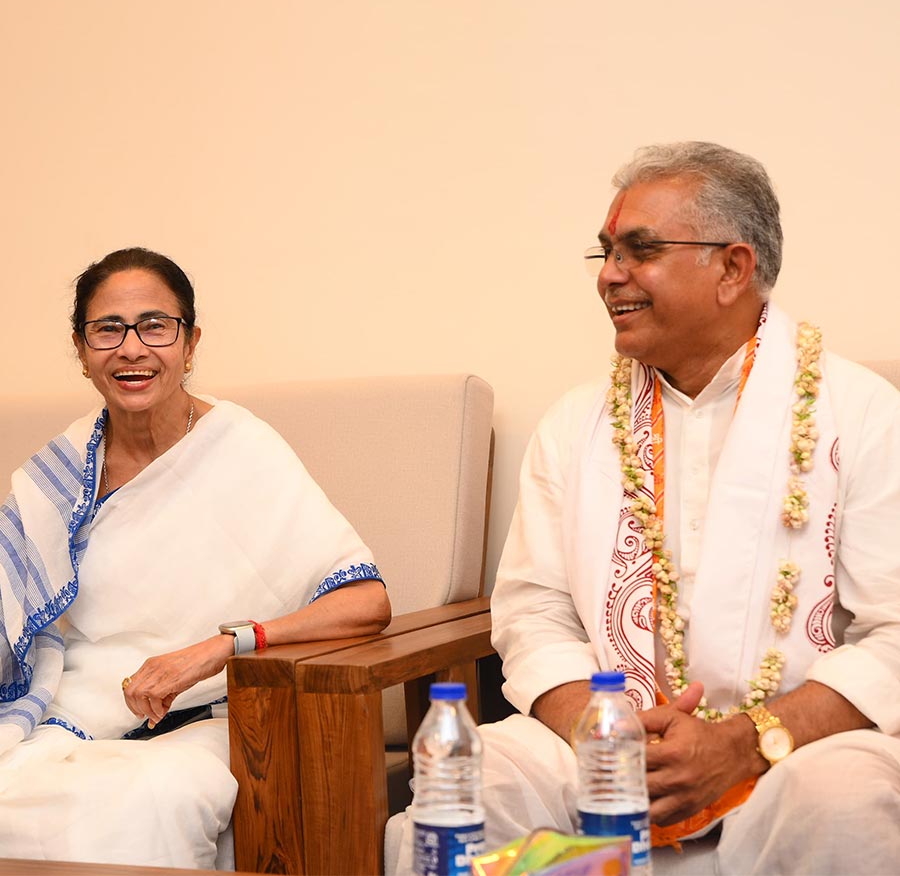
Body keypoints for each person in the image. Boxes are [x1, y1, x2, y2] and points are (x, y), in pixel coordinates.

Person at [388, 142, 900, 876]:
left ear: (732, 267)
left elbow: (894, 634)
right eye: (605, 253)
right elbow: (533, 613)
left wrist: (745, 743)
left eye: (640, 250)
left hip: (798, 753)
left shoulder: (864, 415)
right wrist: (599, 731)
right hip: (599, 753)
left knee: (846, 801)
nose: (610, 277)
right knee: (463, 788)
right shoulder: (575, 425)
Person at [0, 247, 392, 868]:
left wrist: (216, 648)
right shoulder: (63, 467)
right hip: (72, 708)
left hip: (212, 711)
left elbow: (367, 604)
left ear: (190, 342)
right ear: (82, 351)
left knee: (146, 800)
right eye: (107, 329)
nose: (131, 348)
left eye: (155, 325)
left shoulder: (240, 448)